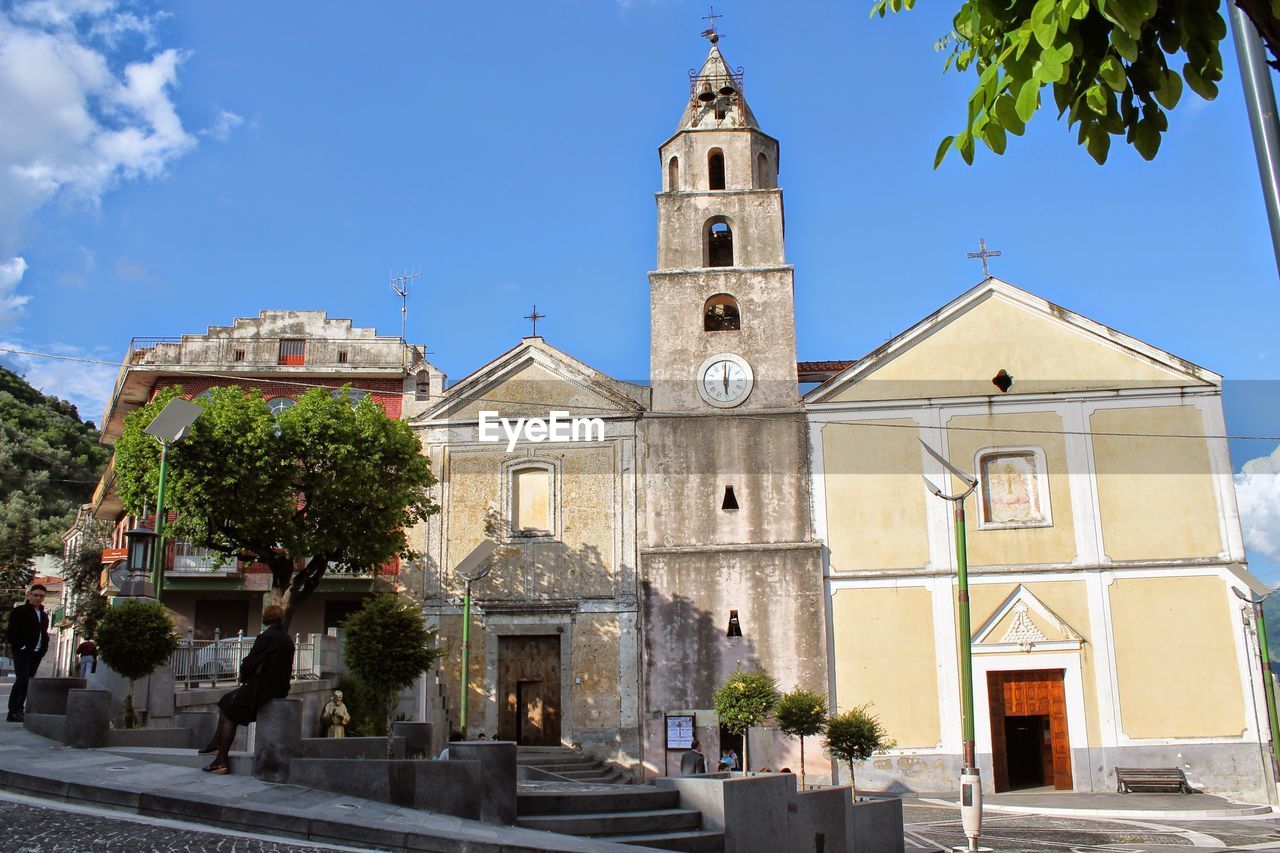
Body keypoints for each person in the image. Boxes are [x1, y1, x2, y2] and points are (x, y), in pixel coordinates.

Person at [199, 604, 295, 774]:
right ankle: (215, 744)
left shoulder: (266, 637)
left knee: (229, 710)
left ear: (266, 619)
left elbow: (251, 662)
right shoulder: (287, 640)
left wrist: (244, 673)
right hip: (279, 689)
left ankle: (221, 760)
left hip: (261, 688)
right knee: (226, 701)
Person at [6, 584, 50, 723]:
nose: (38, 598)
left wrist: (43, 649)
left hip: (36, 653)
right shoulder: (20, 611)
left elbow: (43, 633)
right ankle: (13, 711)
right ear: (29, 595)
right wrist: (20, 646)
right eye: (35, 595)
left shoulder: (43, 615)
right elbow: (12, 632)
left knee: (28, 681)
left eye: (41, 596)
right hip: (23, 652)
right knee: (21, 680)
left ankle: (20, 709)